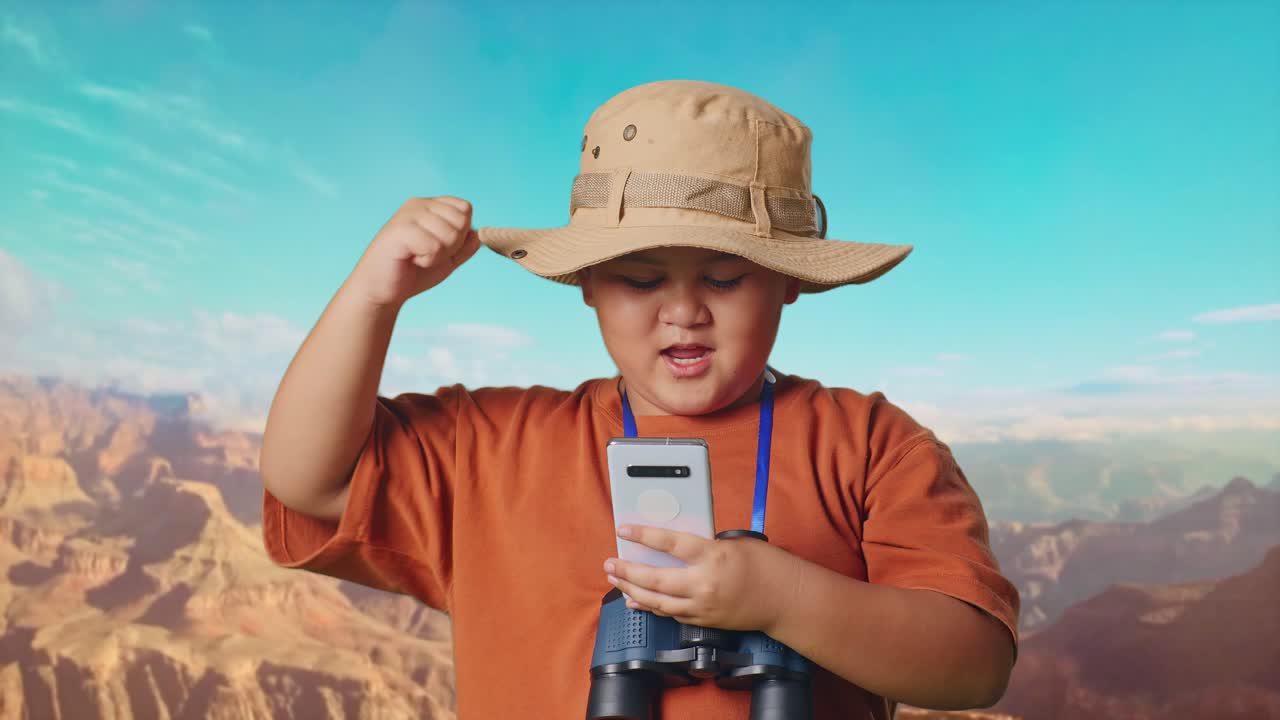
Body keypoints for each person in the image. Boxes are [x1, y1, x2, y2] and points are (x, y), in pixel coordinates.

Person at [259, 79, 1019, 719]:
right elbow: (307, 479)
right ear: (586, 285)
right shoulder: (490, 445)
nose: (684, 310)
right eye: (642, 277)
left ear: (790, 281)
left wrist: (783, 600)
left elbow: (973, 665)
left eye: (724, 278)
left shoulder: (872, 445)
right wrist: (371, 298)